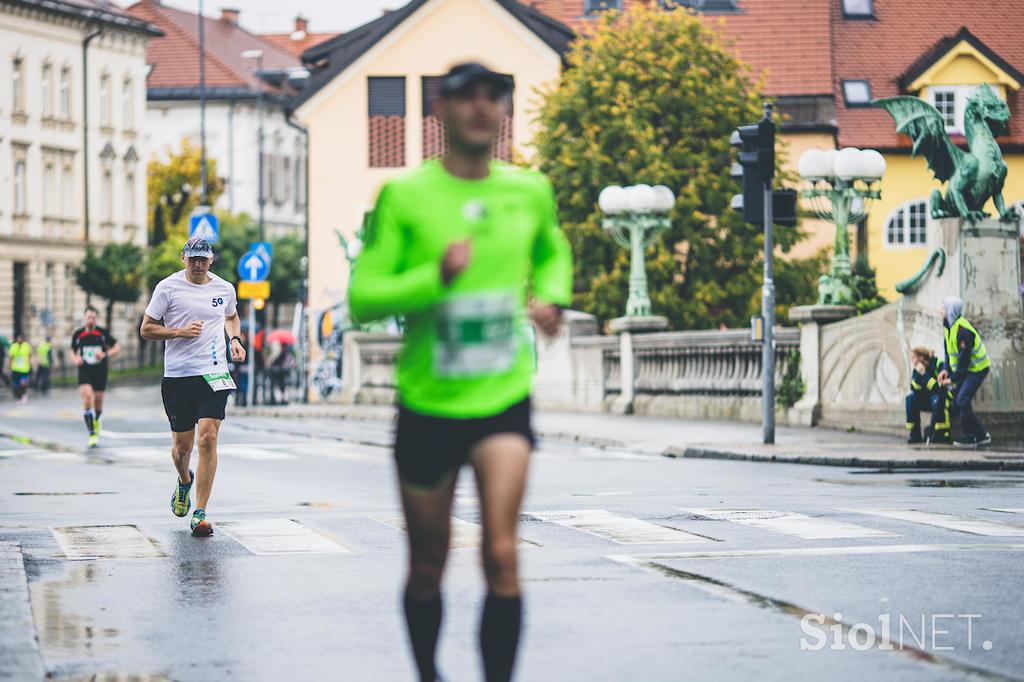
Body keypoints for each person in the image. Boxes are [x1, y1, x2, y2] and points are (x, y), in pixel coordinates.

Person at [349, 62, 572, 682]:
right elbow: (365, 295)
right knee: (429, 562)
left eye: (492, 97)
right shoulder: (406, 195)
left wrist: (551, 296)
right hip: (428, 403)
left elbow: (553, 249)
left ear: (503, 111)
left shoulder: (529, 190)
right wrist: (434, 279)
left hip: (502, 397)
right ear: (439, 112)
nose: (480, 108)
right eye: (465, 98)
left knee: (503, 554)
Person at [140, 237, 246, 537]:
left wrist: (235, 340)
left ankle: (200, 513)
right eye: (193, 259)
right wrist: (178, 332)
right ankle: (184, 480)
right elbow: (146, 329)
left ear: (211, 260)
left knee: (208, 438)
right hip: (178, 376)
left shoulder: (224, 288)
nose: (198, 264)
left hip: (214, 373)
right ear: (183, 258)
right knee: (181, 448)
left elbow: (232, 316)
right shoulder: (167, 288)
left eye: (203, 259)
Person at [937, 296, 991, 447]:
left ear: (950, 311)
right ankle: (981, 435)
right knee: (958, 402)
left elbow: (964, 362)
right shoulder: (948, 325)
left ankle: (973, 437)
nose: (940, 310)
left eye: (943, 307)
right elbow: (948, 352)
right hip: (966, 371)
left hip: (977, 370)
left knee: (962, 400)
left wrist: (952, 379)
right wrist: (945, 370)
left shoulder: (963, 331)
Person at [71, 307, 120, 446]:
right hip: (84, 371)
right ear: (84, 318)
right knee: (87, 398)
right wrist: (76, 360)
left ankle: (97, 419)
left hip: (100, 371)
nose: (91, 320)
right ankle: (92, 434)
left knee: (98, 404)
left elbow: (117, 347)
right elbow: (72, 351)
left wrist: (105, 354)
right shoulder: (78, 334)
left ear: (96, 319)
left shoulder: (102, 333)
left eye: (93, 317)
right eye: (88, 317)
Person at [905, 347, 951, 445]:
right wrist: (920, 376)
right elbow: (914, 388)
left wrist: (924, 374)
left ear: (921, 357)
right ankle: (914, 434)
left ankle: (939, 433)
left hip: (942, 398)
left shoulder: (939, 364)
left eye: (914, 358)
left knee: (936, 399)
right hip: (926, 398)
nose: (912, 361)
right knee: (910, 399)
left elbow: (937, 389)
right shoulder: (917, 369)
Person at [7, 333, 33, 405]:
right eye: (18, 338)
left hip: (24, 368)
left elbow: (29, 355)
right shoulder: (13, 346)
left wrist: (30, 364)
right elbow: (10, 357)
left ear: (23, 339)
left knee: (23, 383)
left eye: (21, 338)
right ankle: (19, 398)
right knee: (16, 385)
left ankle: (24, 395)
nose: (19, 340)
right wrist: (9, 367)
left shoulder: (27, 346)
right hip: (15, 369)